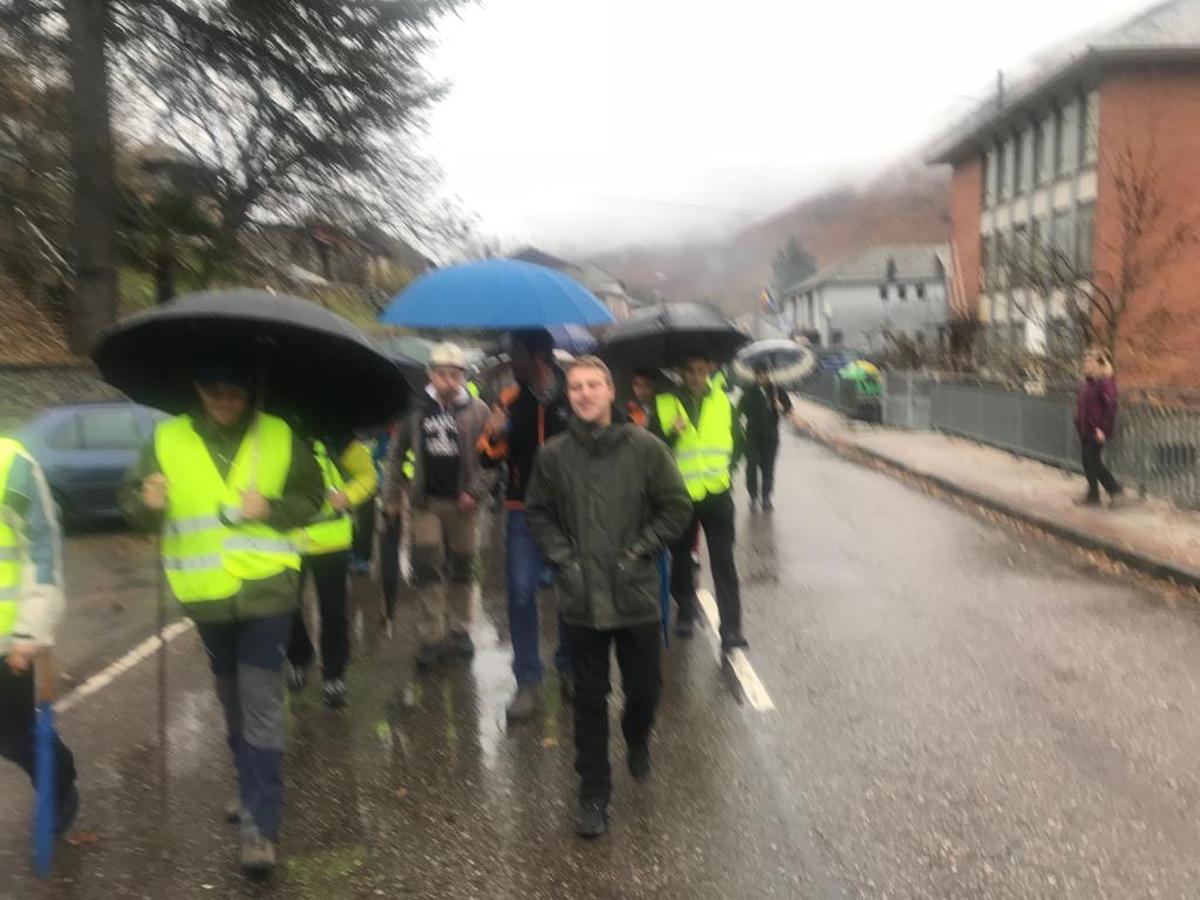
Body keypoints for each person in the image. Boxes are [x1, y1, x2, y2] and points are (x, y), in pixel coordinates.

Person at [120, 352, 324, 875]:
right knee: (230, 699)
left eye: (235, 392)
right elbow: (132, 506)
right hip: (205, 595)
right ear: (198, 390)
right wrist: (147, 500)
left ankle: (261, 824)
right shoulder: (166, 441)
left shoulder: (279, 434)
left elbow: (313, 496)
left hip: (267, 593)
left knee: (260, 701)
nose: (226, 401)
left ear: (250, 391)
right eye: (215, 392)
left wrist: (271, 509)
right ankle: (247, 780)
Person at [525, 356, 691, 838]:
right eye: (576, 386)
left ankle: (637, 737)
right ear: (568, 395)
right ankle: (594, 792)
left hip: (634, 591)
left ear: (611, 391)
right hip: (581, 599)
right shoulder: (552, 455)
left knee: (644, 691)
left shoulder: (645, 449)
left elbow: (677, 507)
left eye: (593, 384)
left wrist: (641, 550)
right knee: (589, 700)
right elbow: (537, 513)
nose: (584, 393)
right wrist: (565, 559)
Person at [478, 329, 573, 722]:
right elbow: (487, 460)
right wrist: (492, 434)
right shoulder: (509, 400)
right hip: (521, 508)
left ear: (538, 357)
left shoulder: (575, 395)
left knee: (572, 589)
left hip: (570, 511)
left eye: (515, 354)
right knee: (519, 592)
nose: (509, 362)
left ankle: (569, 666)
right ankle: (528, 680)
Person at [384, 343, 492, 670]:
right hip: (426, 504)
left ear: (462, 376)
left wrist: (475, 491)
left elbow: (492, 459)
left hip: (464, 506)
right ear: (431, 374)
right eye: (442, 374)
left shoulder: (478, 411)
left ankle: (460, 630)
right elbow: (395, 454)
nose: (448, 380)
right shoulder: (415, 409)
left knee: (462, 569)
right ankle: (431, 636)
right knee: (427, 569)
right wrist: (391, 496)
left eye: (455, 374)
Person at [0, 437, 78, 837]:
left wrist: (31, 628)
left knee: (12, 739)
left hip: (8, 640)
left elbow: (43, 550)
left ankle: (60, 781)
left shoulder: (11, 464)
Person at [652, 356, 748, 651]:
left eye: (701, 371)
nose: (696, 377)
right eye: (689, 371)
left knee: (723, 562)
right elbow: (652, 448)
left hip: (717, 495)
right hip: (681, 495)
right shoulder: (665, 403)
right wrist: (673, 433)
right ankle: (685, 610)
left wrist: (727, 472)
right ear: (680, 372)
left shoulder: (723, 401)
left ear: (709, 371)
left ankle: (731, 628)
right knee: (680, 557)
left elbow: (739, 441)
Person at [286, 433, 377, 707]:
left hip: (331, 541)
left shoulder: (339, 436)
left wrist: (348, 496)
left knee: (334, 613)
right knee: (286, 608)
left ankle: (334, 676)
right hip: (287, 542)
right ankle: (300, 657)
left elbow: (368, 476)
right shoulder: (276, 433)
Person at [737, 364, 793, 512]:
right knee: (751, 468)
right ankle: (753, 497)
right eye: (758, 374)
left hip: (771, 436)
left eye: (764, 374)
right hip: (751, 436)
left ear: (768, 374)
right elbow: (739, 411)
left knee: (768, 468)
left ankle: (766, 497)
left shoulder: (776, 390)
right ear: (755, 375)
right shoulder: (749, 390)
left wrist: (779, 406)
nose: (761, 377)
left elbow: (788, 408)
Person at [1075, 348, 1124, 507]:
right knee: (1086, 461)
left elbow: (1110, 407)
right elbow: (1084, 405)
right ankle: (1093, 495)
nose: (1086, 365)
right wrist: (1077, 420)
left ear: (1100, 364)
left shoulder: (1106, 383)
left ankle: (1114, 490)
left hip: (1097, 430)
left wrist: (1102, 428)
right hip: (1085, 428)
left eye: (1090, 362)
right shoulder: (1088, 383)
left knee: (1093, 460)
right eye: (1085, 362)